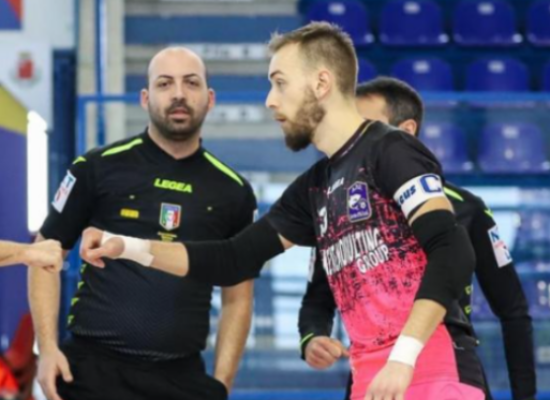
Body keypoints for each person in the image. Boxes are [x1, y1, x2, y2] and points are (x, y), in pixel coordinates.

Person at [80, 22, 487, 400]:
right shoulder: (315, 185)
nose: (270, 100)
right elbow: (233, 258)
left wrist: (403, 357)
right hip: (370, 376)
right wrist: (126, 246)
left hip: (430, 366)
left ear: (321, 83)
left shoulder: (390, 149)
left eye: (280, 83)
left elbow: (452, 250)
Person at [29, 47, 256, 400]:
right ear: (145, 98)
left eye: (191, 83)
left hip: (181, 380)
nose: (179, 94)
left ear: (209, 99)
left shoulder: (234, 192)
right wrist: (46, 348)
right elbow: (44, 255)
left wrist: (221, 385)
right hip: (91, 373)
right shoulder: (95, 167)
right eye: (165, 84)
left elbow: (238, 297)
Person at [298, 77, 537, 400]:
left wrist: (525, 396)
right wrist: (312, 337)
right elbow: (317, 299)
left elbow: (513, 311)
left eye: (365, 127)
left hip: (448, 374)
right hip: (370, 379)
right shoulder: (334, 213)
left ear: (406, 131)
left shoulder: (466, 209)